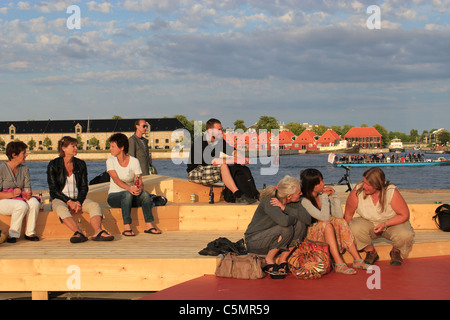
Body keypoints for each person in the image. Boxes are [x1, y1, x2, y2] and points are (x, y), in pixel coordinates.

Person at [300, 169, 370, 275]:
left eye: (322, 180)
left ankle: (357, 259)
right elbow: (323, 217)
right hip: (312, 234)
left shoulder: (321, 197)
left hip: (326, 228)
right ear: (311, 185)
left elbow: (337, 215)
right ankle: (339, 264)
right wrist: (324, 197)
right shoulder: (305, 201)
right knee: (327, 224)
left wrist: (334, 196)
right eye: (319, 182)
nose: (323, 184)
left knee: (340, 221)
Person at [48, 136, 114, 243]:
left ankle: (98, 231)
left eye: (76, 146)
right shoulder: (53, 165)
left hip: (78, 198)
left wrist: (78, 201)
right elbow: (53, 190)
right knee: (61, 209)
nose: (76, 148)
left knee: (94, 206)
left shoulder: (80, 164)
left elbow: (84, 187)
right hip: (60, 199)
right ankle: (78, 232)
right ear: (64, 148)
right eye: (73, 146)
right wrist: (69, 202)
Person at [344, 167, 415, 266]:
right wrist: (345, 236)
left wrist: (385, 224)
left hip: (390, 224)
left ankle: (395, 251)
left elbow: (404, 215)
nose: (364, 186)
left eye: (368, 184)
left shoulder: (391, 191)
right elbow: (348, 215)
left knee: (405, 234)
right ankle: (371, 252)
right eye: (364, 182)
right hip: (367, 223)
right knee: (353, 227)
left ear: (378, 185)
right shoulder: (358, 191)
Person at [245, 175, 311, 274]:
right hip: (255, 242)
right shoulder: (270, 201)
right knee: (286, 228)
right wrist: (295, 217)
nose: (301, 194)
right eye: (299, 193)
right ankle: (269, 259)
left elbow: (307, 219)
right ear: (289, 196)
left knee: (301, 224)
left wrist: (285, 208)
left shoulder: (293, 203)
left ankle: (283, 259)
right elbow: (284, 222)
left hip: (275, 241)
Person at [187, 118, 256, 204]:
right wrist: (234, 160)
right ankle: (237, 195)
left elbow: (233, 151)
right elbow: (213, 161)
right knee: (223, 166)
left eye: (221, 129)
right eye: (218, 130)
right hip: (195, 171)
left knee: (236, 167)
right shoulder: (200, 142)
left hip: (209, 169)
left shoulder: (219, 141)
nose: (221, 131)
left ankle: (249, 193)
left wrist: (242, 158)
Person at [106, 133, 161, 236]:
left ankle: (149, 225)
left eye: (113, 146)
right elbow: (116, 179)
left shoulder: (134, 161)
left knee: (145, 194)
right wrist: (129, 188)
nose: (110, 149)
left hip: (131, 195)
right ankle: (127, 226)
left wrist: (139, 188)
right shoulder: (110, 161)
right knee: (126, 194)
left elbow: (139, 180)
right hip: (114, 197)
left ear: (121, 147)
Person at [0, 141, 40, 243]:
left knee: (34, 203)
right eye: (24, 153)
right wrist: (12, 194)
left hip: (20, 198)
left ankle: (30, 233)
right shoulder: (1, 169)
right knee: (21, 205)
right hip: (3, 201)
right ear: (14, 155)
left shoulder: (24, 169)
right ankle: (13, 234)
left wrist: (28, 194)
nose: (26, 155)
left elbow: (27, 188)